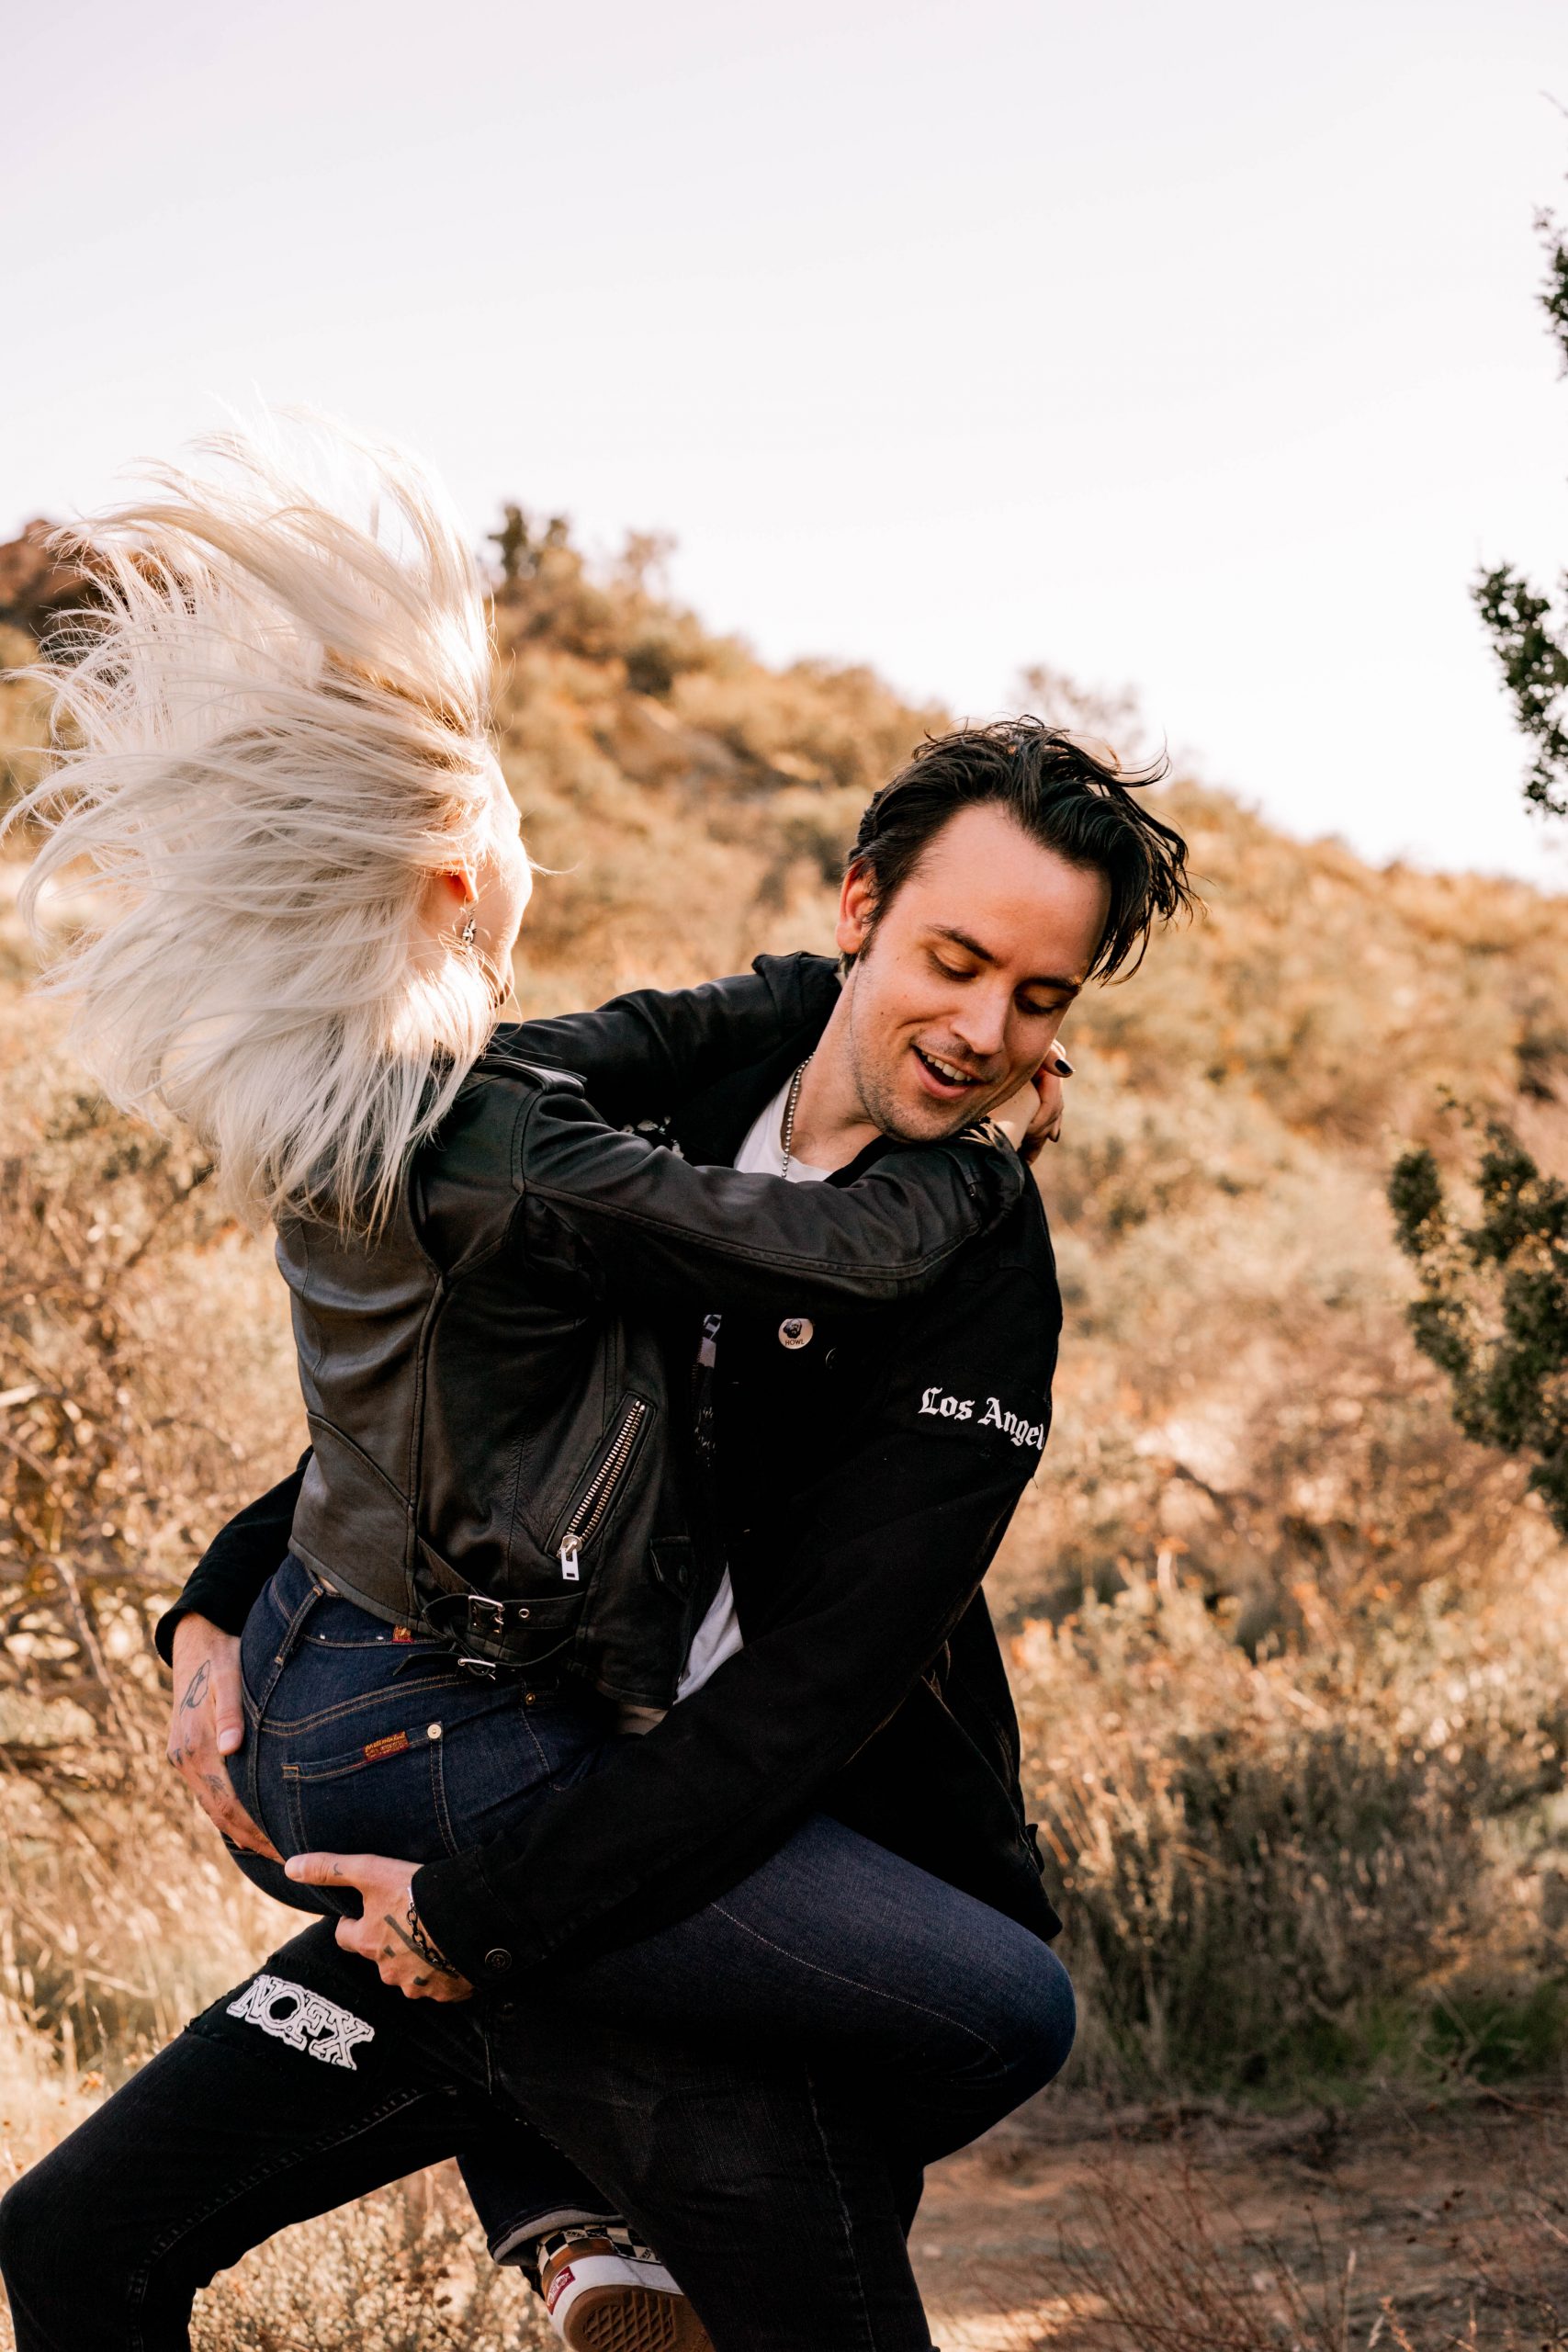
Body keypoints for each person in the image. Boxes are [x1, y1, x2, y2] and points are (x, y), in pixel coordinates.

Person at [0, 424, 1193, 2349]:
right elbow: (420, 1368)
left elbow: (808, 1697)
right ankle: (571, 2189)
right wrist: (222, 1595)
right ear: (855, 908)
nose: (981, 1031)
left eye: (1039, 1001)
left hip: (665, 1868)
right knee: (73, 2245)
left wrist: (480, 1923)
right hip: (484, 1854)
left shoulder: (977, 1279)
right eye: (956, 960)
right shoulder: (649, 1086)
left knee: (791, 2204)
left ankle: (571, 2195)